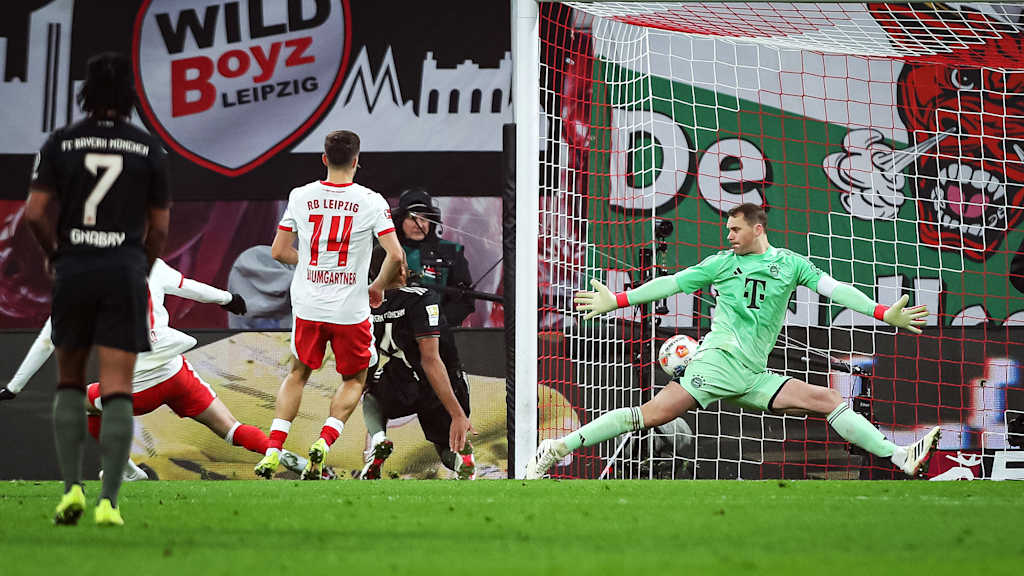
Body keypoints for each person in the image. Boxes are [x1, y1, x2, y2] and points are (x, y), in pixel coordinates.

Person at [527, 203, 940, 479]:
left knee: (828, 399)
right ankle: (556, 448)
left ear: (758, 229)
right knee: (649, 416)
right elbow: (671, 283)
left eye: (735, 229)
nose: (728, 235)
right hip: (718, 362)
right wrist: (618, 300)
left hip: (753, 374)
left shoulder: (790, 264)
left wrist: (883, 313)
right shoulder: (721, 264)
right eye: (727, 228)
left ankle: (900, 456)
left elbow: (836, 289)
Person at [0, 259, 320, 480]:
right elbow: (190, 287)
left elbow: (46, 342)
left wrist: (14, 387)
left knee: (78, 402)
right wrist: (229, 299)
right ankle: (287, 457)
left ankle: (125, 471)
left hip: (137, 384)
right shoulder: (148, 263)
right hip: (176, 372)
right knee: (231, 429)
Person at [23, 52, 169, 526]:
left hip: (75, 270)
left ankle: (71, 490)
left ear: (85, 92)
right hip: (123, 271)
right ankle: (110, 502)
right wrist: (139, 267)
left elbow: (34, 213)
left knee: (69, 382)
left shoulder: (60, 142)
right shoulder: (147, 148)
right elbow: (159, 228)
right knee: (118, 387)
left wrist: (55, 254)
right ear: (130, 95)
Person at [254, 130, 404, 480]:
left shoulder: (301, 195)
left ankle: (273, 449)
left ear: (324, 159)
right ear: (356, 161)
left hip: (309, 305)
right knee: (355, 379)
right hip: (350, 309)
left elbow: (278, 251)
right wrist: (377, 286)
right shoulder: (371, 201)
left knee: (297, 374)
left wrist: (311, 263)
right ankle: (324, 440)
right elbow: (396, 256)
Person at [358, 247, 476, 480]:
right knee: (446, 447)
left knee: (371, 395)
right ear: (402, 270)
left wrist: (364, 381)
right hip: (441, 379)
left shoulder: (364, 303)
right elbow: (431, 359)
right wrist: (457, 414)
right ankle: (461, 460)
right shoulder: (422, 297)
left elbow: (368, 354)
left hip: (402, 378)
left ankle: (378, 440)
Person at [393, 187, 475, 327]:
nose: (419, 224)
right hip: (394, 329)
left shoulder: (451, 251)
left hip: (440, 331)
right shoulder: (386, 251)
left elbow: (465, 300)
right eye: (412, 218)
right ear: (400, 221)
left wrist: (438, 322)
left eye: (424, 218)